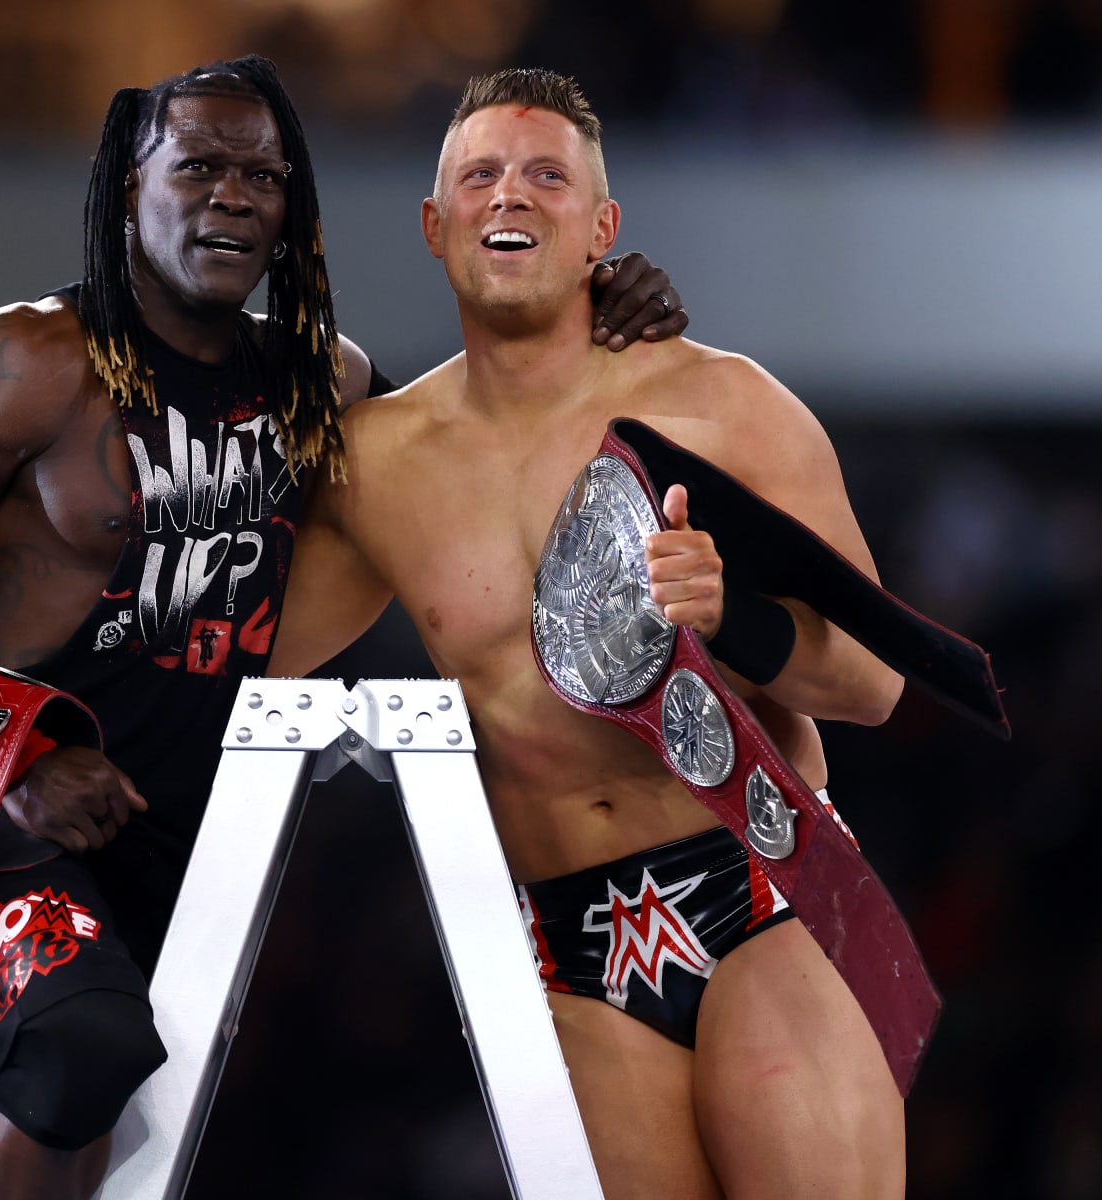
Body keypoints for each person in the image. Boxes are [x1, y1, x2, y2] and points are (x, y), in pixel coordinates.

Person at [0, 56, 687, 1200]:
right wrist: (11, 761)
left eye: (262, 176)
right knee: (81, 1048)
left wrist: (589, 310)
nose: (232, 195)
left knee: (83, 1096)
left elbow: (479, 439)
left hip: (166, 827)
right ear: (128, 183)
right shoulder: (20, 360)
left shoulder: (324, 382)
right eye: (200, 165)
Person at [267, 69, 909, 1198]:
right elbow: (233, 667)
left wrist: (733, 616)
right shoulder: (374, 466)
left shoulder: (727, 407)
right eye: (481, 174)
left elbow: (878, 688)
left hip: (770, 888)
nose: (511, 194)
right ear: (435, 223)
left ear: (602, 227)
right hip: (573, 948)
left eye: (547, 174)